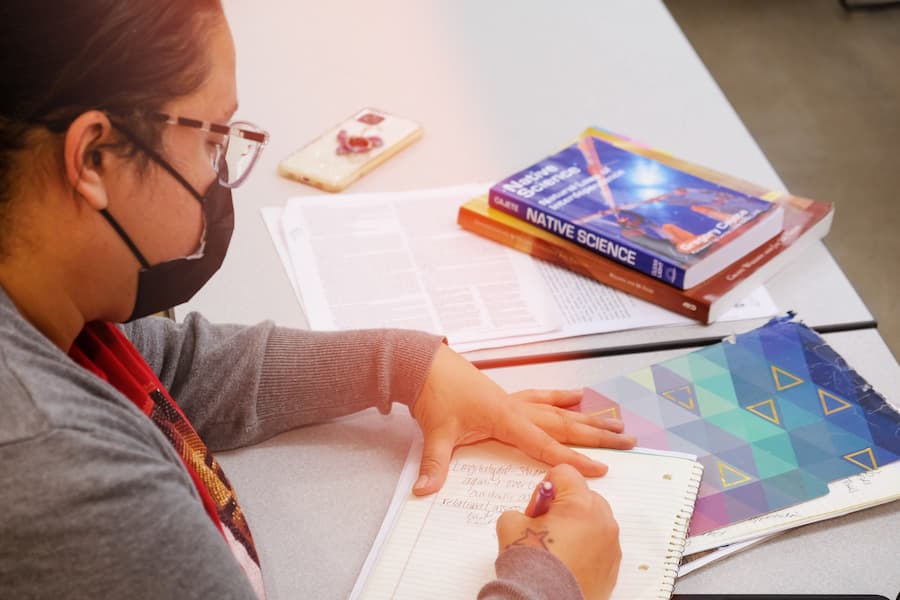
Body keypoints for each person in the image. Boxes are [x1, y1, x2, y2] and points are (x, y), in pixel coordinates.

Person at [0, 2, 634, 598]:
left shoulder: (44, 305)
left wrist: (401, 366)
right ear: (93, 156)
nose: (218, 174)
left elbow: (168, 367)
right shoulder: (70, 482)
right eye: (213, 140)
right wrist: (551, 582)